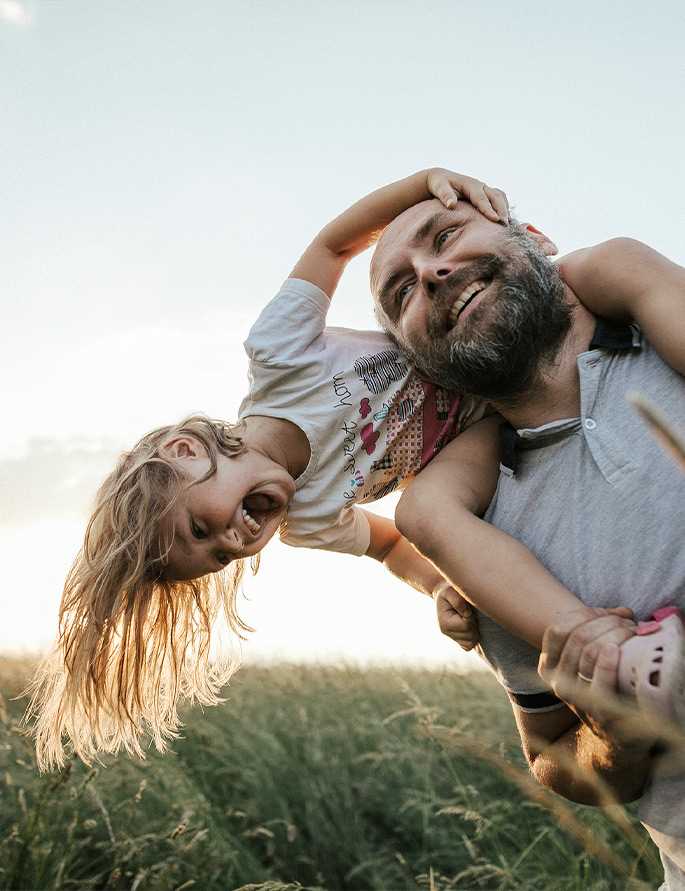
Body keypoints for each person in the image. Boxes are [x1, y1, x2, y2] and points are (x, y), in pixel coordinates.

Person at [27, 168, 647, 776]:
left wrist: (423, 184)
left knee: (591, 273)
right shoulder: (309, 521)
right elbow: (389, 544)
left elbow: (334, 244)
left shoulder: (279, 355)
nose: (231, 544)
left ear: (187, 453)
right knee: (423, 511)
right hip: (486, 426)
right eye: (219, 558)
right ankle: (594, 647)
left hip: (469, 341)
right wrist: (436, 587)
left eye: (200, 529)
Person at [370, 198, 685, 887]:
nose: (430, 272)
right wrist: (612, 735)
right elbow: (550, 757)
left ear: (536, 239)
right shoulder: (477, 541)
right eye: (402, 291)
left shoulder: (658, 314)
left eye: (445, 236)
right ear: (421, 361)